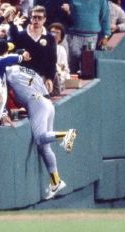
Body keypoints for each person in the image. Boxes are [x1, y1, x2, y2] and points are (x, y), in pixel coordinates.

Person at [5, 64, 77, 200]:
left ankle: (66, 135)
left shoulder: (9, 70)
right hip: (46, 103)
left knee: (39, 138)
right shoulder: (31, 71)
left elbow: (6, 90)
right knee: (45, 147)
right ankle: (56, 182)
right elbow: (44, 92)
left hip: (36, 102)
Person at [65, 0, 110, 73]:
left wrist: (106, 35)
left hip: (92, 37)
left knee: (88, 65)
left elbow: (105, 16)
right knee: (73, 62)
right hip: (74, 36)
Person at [9, 5, 57, 92]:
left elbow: (52, 60)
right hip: (23, 77)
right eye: (34, 17)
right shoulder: (21, 35)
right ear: (30, 18)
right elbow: (11, 52)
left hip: (41, 78)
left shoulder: (49, 37)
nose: (37, 20)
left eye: (39, 18)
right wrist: (21, 52)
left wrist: (50, 78)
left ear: (44, 19)